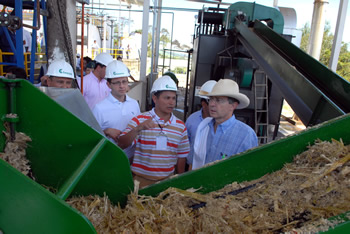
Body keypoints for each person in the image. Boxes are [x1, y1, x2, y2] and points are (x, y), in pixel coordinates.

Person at [118, 75, 190, 188]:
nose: (171, 102)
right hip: (140, 182)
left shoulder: (180, 126)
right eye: (167, 98)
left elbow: (181, 157)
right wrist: (138, 129)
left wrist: (179, 183)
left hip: (168, 182)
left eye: (173, 98)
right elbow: (121, 144)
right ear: (155, 98)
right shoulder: (140, 120)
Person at [187, 79, 258, 170]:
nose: (212, 104)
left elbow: (249, 171)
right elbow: (192, 163)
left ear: (233, 106)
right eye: (211, 99)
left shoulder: (246, 135)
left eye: (219, 100)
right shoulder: (203, 127)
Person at [92, 60, 140, 160]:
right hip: (109, 158)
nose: (122, 86)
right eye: (117, 82)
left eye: (124, 81)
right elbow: (92, 136)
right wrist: (106, 131)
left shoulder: (134, 104)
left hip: (132, 157)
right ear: (108, 84)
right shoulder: (99, 108)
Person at [185, 80, 216, 146]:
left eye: (218, 101)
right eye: (211, 102)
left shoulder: (221, 123)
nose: (215, 105)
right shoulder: (192, 120)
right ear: (204, 104)